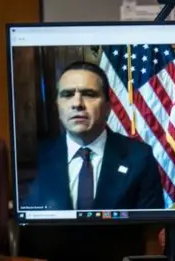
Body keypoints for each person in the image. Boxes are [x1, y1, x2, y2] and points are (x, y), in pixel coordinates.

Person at [20, 61, 164, 210]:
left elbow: (149, 228)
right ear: (57, 106)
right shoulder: (39, 159)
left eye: (89, 94)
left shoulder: (139, 158)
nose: (77, 104)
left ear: (108, 107)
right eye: (67, 95)